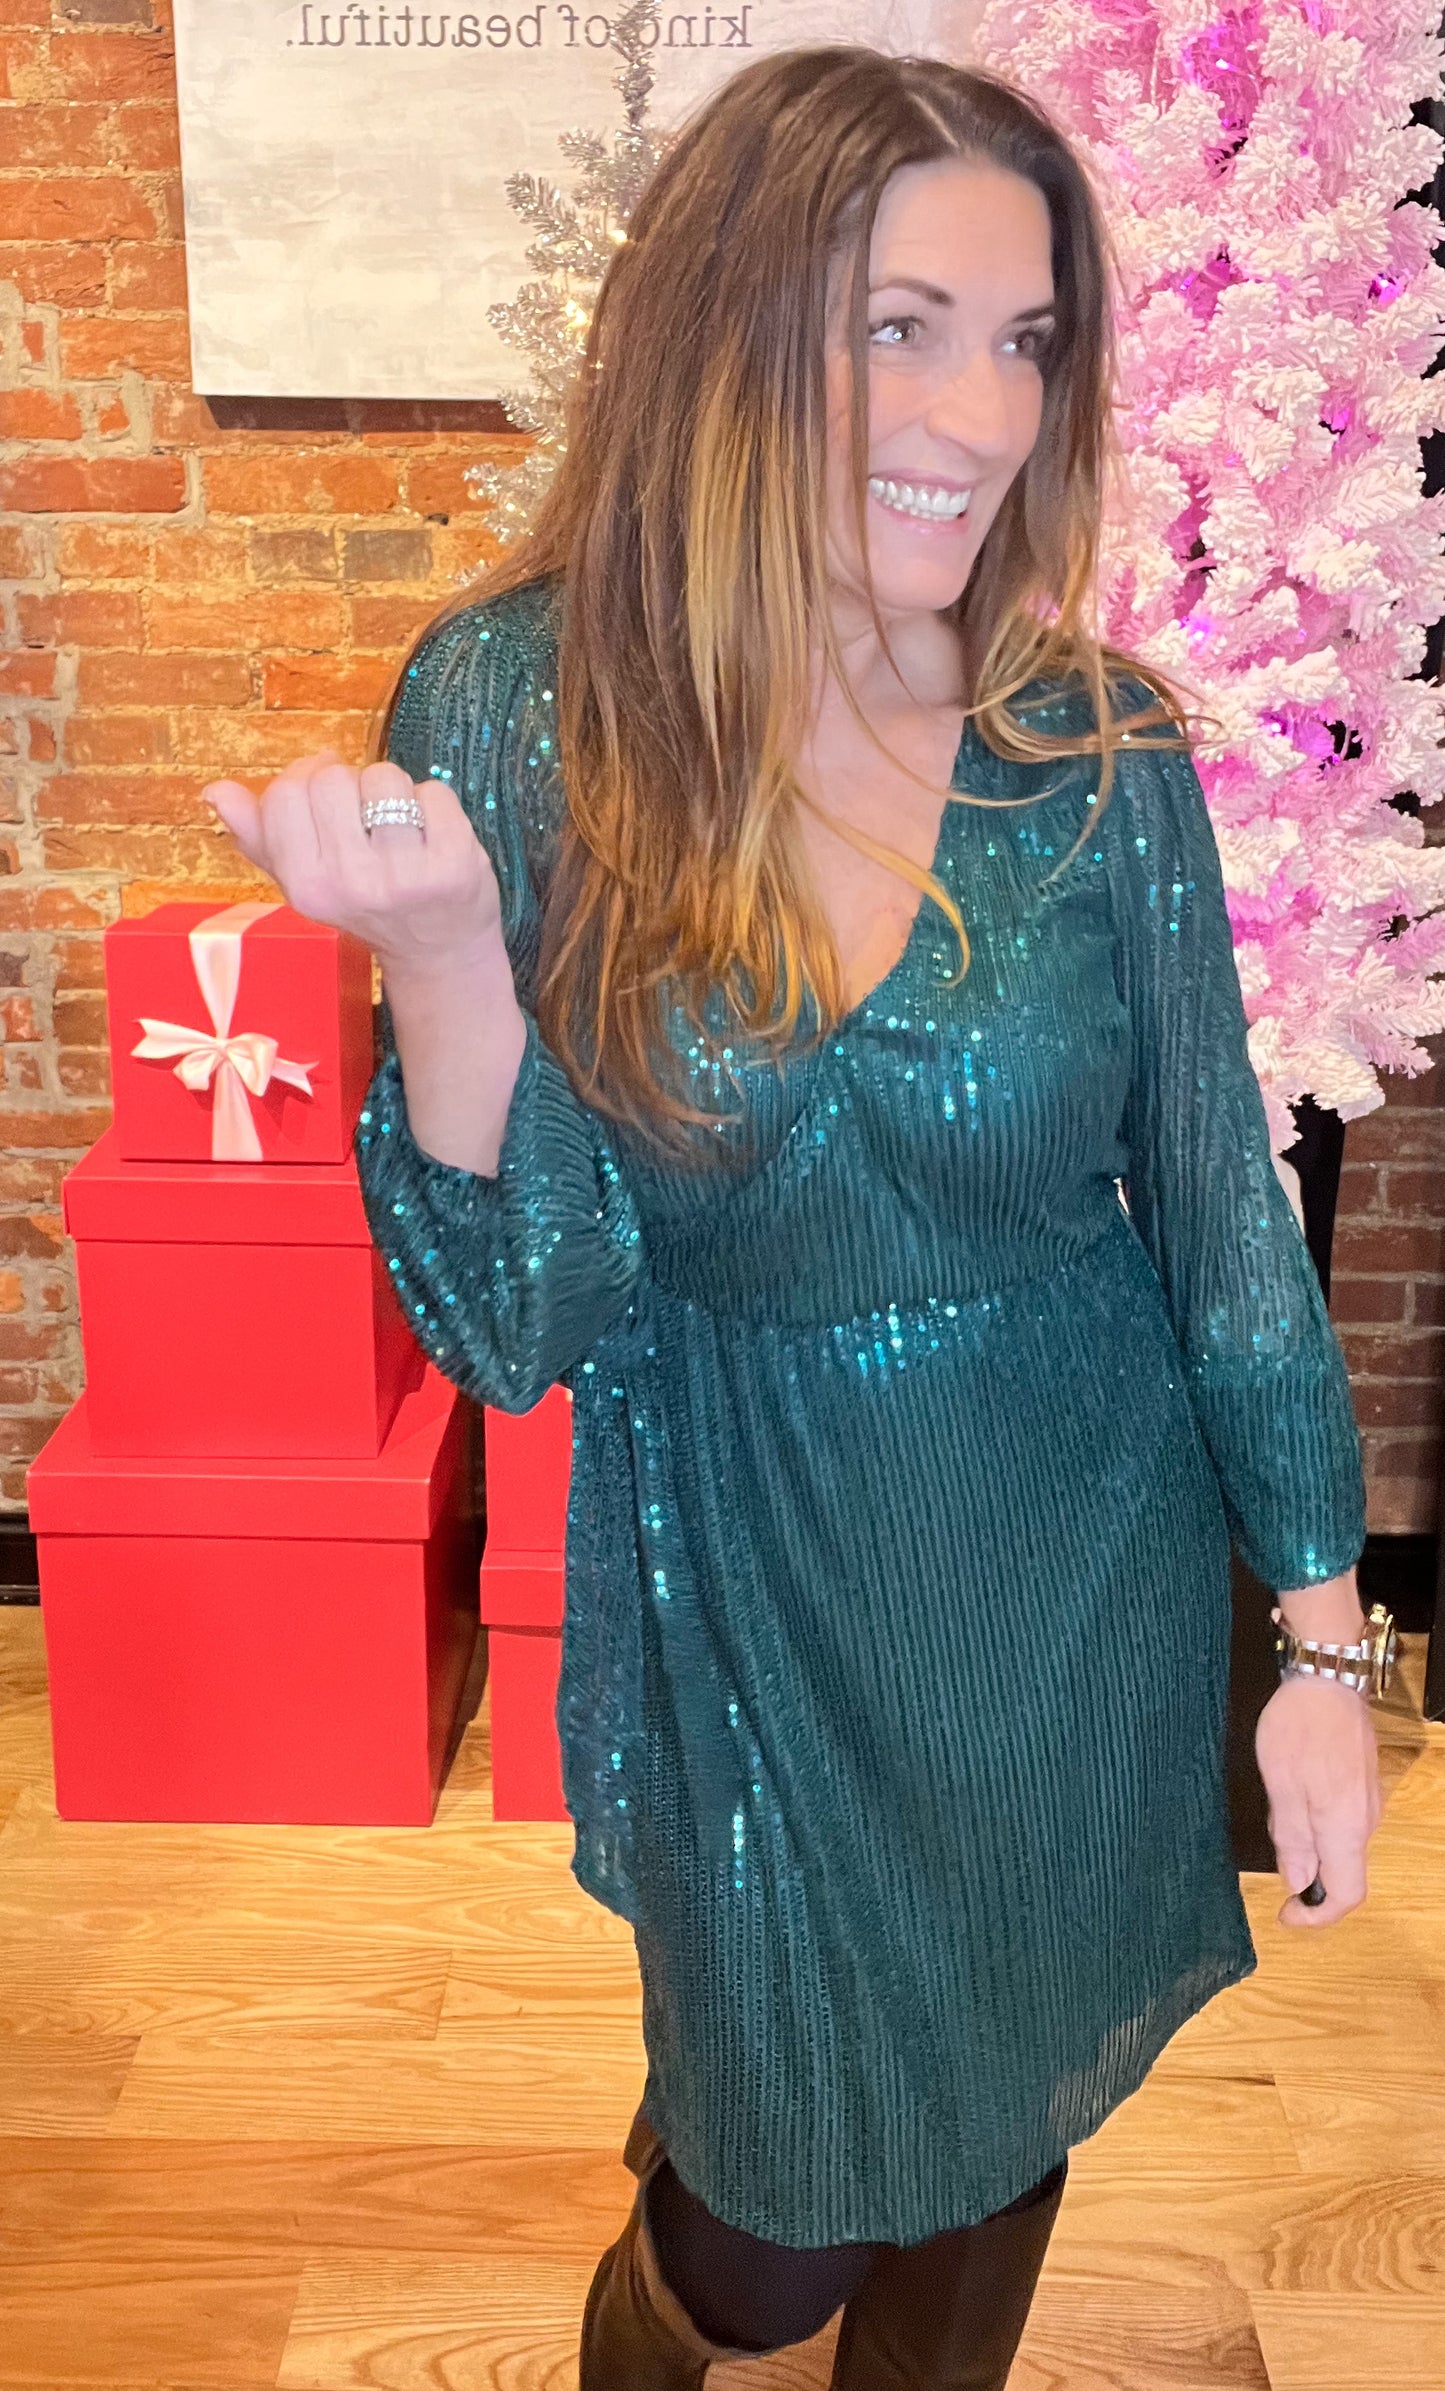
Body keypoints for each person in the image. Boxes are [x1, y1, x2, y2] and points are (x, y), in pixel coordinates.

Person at [203, 46, 1389, 2388]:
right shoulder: (530, 707)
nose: (981, 405)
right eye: (902, 323)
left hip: (1077, 1568)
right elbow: (524, 1319)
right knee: (769, 2218)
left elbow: (1226, 1241)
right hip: (751, 1561)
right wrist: (448, 962)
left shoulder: (1098, 750)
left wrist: (1331, 1655)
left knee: (998, 2119)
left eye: (1028, 338)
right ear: (735, 329)